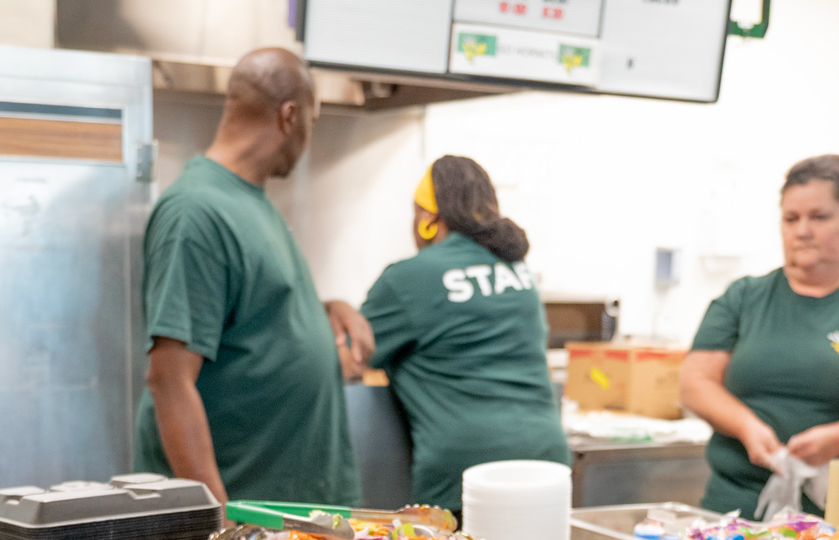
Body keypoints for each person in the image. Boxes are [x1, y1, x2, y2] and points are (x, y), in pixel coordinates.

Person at [133, 48, 372, 506]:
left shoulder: (251, 203)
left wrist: (326, 309)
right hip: (246, 523)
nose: (307, 139)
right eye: (312, 121)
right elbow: (169, 381)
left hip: (287, 518)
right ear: (290, 115)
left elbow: (251, 314)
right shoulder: (196, 213)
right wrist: (219, 526)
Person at [679, 155, 839, 518]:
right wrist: (747, 427)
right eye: (791, 218)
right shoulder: (743, 298)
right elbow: (696, 383)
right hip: (737, 509)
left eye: (819, 217)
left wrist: (838, 440)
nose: (802, 230)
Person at [357, 156, 570, 513]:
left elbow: (349, 356)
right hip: (546, 461)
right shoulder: (518, 270)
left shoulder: (408, 278)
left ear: (428, 219)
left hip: (464, 474)